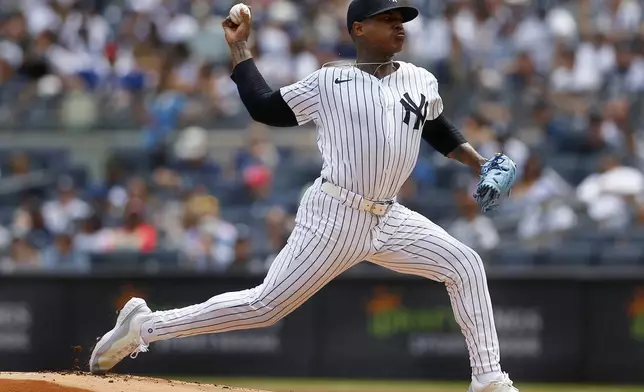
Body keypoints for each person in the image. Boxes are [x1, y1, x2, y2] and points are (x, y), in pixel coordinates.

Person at [89, 1, 518, 391]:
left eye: (401, 19)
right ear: (358, 29)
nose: (398, 26)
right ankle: (144, 328)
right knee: (264, 308)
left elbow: (437, 128)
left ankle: (488, 379)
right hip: (337, 213)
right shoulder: (332, 80)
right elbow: (264, 106)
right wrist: (240, 49)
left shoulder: (420, 78)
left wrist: (481, 163)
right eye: (387, 19)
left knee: (465, 264)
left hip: (390, 216)